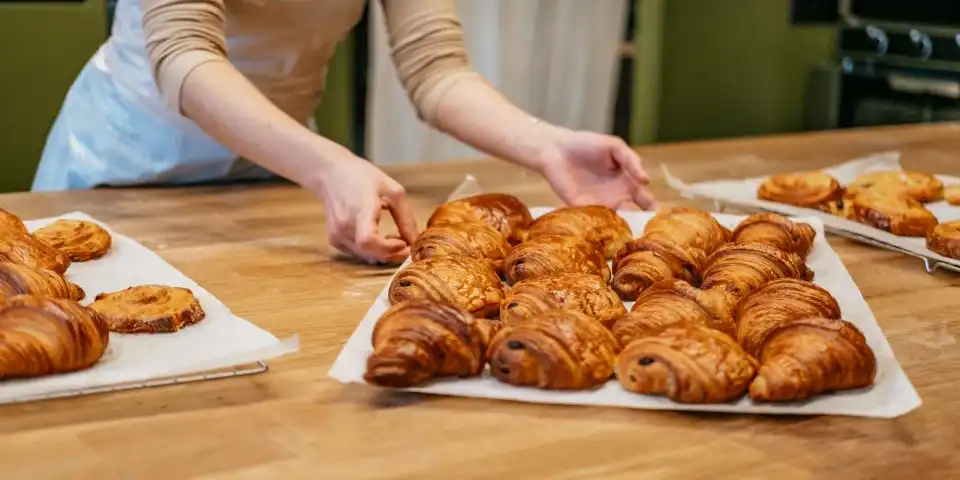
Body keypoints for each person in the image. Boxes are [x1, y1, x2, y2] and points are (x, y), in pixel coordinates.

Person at [33, 0, 657, 264]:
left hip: (271, 173)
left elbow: (434, 67)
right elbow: (183, 56)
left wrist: (545, 143)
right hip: (123, 168)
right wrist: (327, 164)